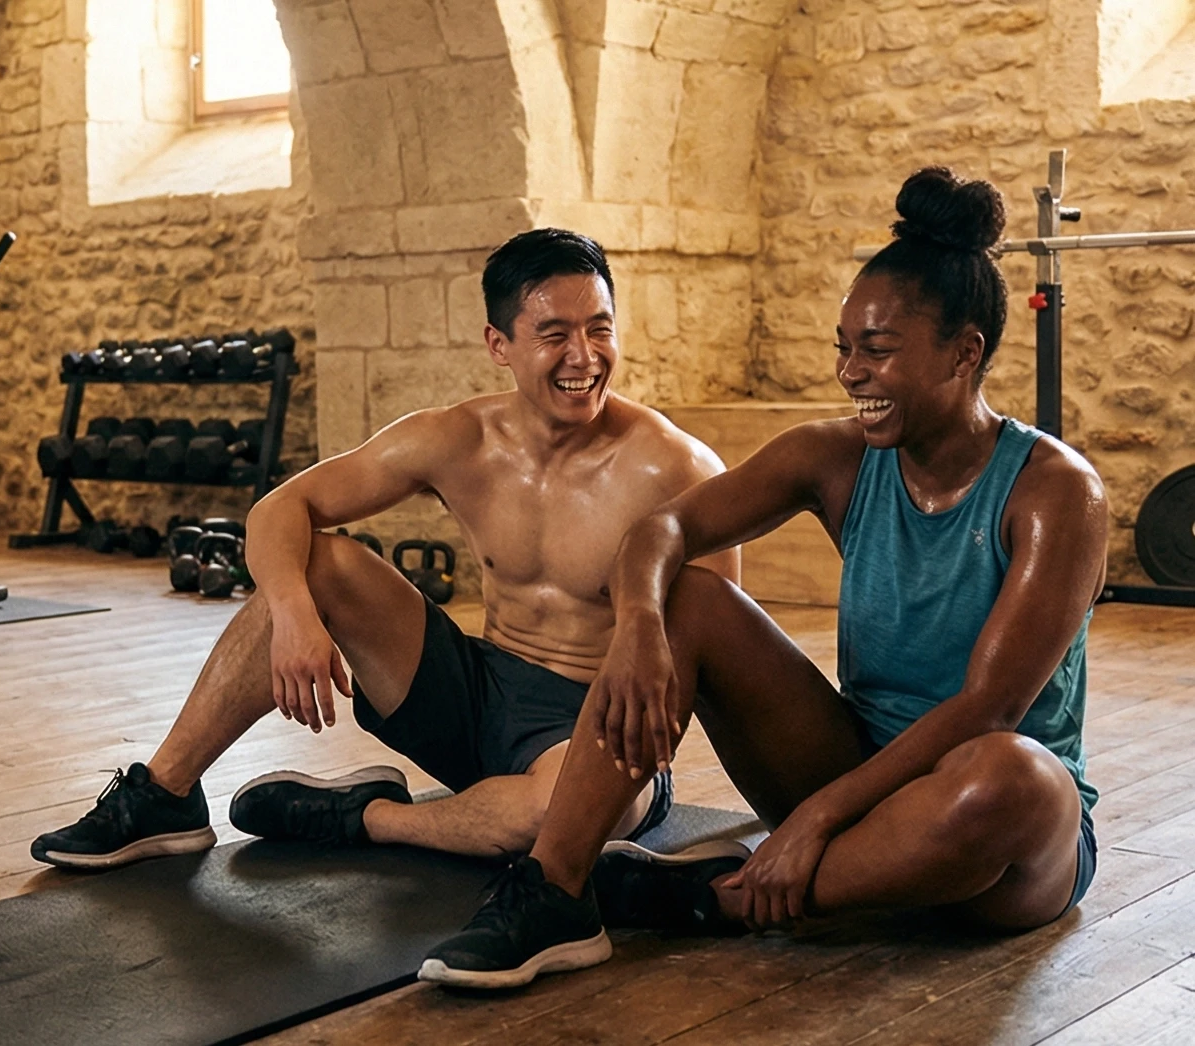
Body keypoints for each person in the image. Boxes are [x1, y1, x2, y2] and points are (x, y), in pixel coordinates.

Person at [420, 168, 1106, 988]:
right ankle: (554, 892)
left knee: (1016, 772)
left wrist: (816, 818)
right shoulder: (836, 456)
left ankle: (719, 898)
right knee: (690, 596)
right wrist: (639, 625)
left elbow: (986, 710)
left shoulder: (1056, 492)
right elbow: (662, 528)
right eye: (843, 348)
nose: (851, 373)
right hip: (852, 766)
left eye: (877, 351)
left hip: (992, 834)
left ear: (966, 353)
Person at [31, 228, 738, 870]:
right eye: (554, 334)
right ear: (500, 345)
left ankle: (365, 818)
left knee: (556, 817)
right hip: (475, 693)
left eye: (599, 329)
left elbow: (713, 650)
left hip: (591, 726)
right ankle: (165, 795)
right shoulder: (459, 440)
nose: (583, 357)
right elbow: (281, 507)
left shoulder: (677, 469)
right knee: (317, 561)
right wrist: (293, 615)